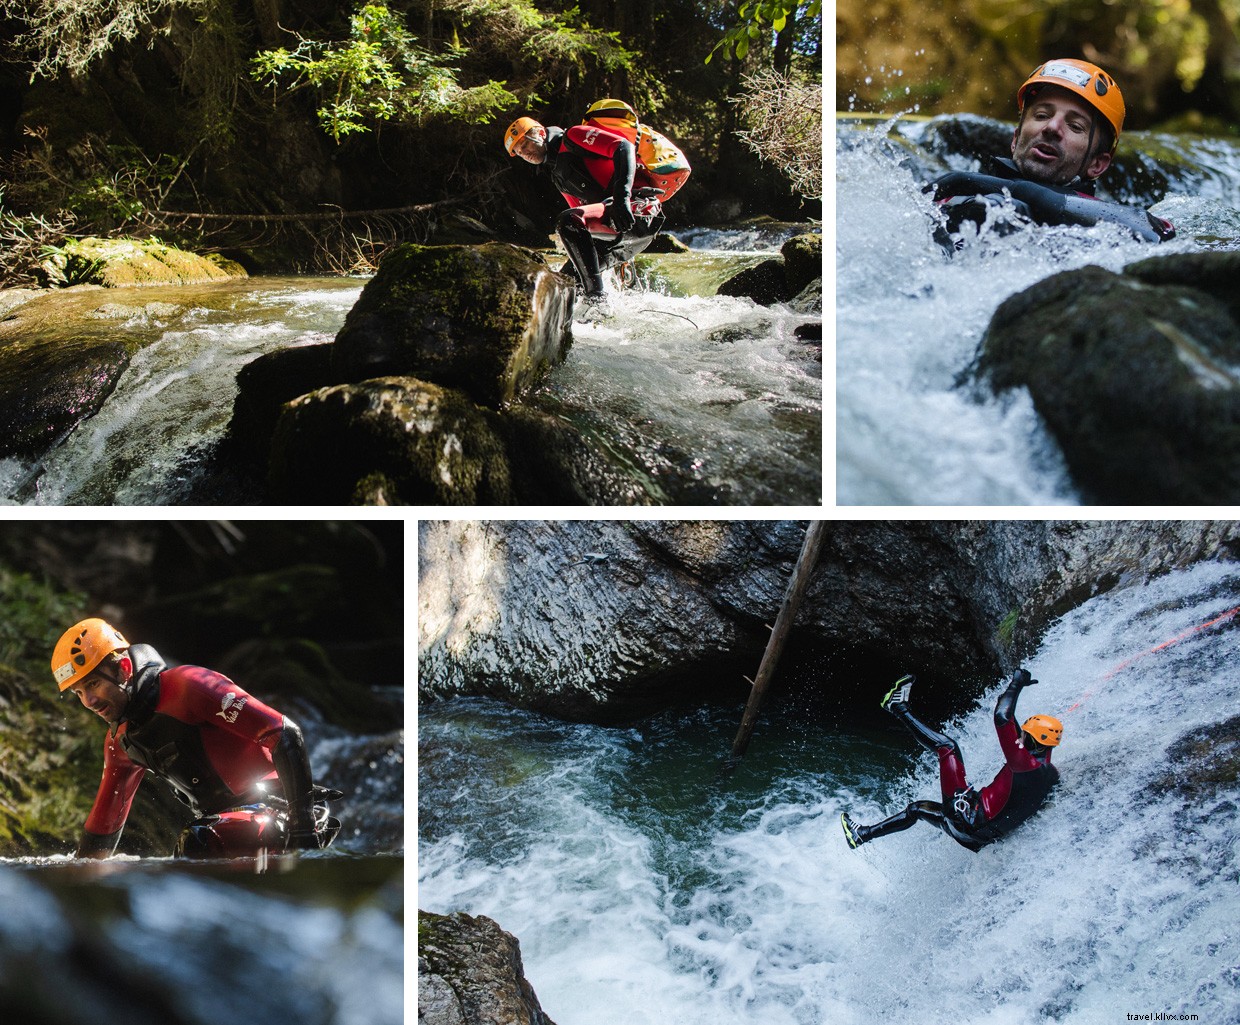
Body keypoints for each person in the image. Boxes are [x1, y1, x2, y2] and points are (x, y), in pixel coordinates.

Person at [52, 617, 338, 858]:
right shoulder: (120, 743)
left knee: (199, 841)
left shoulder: (189, 687)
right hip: (226, 825)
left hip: (282, 810)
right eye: (78, 692)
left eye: (93, 683)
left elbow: (285, 734)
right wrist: (78, 881)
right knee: (195, 846)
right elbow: (104, 826)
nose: (88, 700)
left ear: (124, 668)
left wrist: (303, 831)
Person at [927, 58, 1175, 244]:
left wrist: (992, 187)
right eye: (1042, 115)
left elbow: (1157, 234)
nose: (1052, 127)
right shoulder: (951, 200)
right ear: (1015, 139)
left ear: (1097, 164)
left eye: (1075, 126)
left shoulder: (1106, 225)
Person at [841, 670, 1061, 852]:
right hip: (979, 838)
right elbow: (1010, 722)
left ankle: (897, 707)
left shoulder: (1023, 764)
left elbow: (1002, 717)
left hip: (965, 817)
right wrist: (1005, 699)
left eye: (1024, 734)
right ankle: (861, 835)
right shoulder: (1049, 773)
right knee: (917, 809)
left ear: (1033, 740)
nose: (1019, 736)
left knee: (947, 747)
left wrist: (1016, 684)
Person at [504, 112, 664, 314]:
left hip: (639, 207)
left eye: (525, 144)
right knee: (566, 285)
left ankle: (597, 300)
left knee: (568, 222)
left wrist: (622, 197)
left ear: (541, 133)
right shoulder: (557, 175)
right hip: (621, 227)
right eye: (519, 152)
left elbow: (623, 147)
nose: (524, 153)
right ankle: (592, 322)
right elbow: (584, 224)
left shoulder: (574, 137)